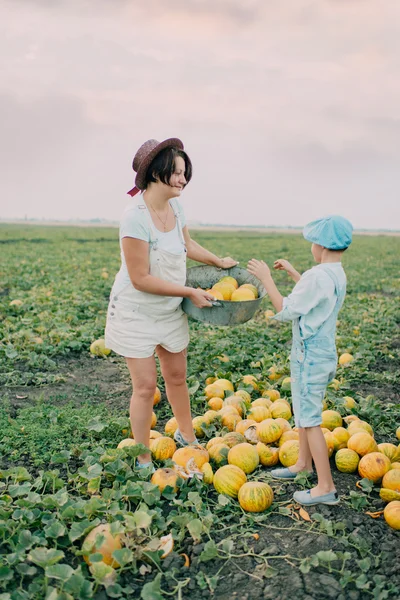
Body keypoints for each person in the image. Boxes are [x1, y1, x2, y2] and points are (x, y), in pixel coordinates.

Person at [105, 138, 237, 470]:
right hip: (136, 311)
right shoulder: (134, 217)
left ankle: (187, 436)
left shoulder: (176, 208)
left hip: (168, 309)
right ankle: (143, 456)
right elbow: (140, 278)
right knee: (146, 386)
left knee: (176, 376)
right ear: (155, 173)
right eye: (175, 173)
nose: (182, 180)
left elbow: (186, 244)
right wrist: (188, 292)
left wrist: (218, 261)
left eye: (183, 173)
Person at [247, 215, 353, 506]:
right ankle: (302, 464)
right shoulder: (333, 273)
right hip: (324, 353)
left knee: (309, 420)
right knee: (307, 413)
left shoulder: (317, 276)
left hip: (309, 356)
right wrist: (296, 273)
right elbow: (314, 295)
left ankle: (325, 487)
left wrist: (266, 277)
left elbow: (286, 308)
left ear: (319, 244)